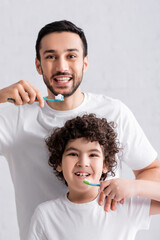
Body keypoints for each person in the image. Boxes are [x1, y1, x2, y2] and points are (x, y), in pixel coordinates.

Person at [0, 20, 159, 240]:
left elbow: (152, 170)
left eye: (71, 56)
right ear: (38, 65)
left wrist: (134, 187)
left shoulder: (115, 113)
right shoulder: (12, 118)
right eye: (51, 56)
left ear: (85, 63)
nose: (62, 66)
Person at [28, 114, 160, 240]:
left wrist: (136, 187)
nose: (83, 162)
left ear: (105, 164)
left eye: (93, 155)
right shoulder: (45, 215)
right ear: (59, 163)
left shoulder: (123, 204)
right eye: (73, 154)